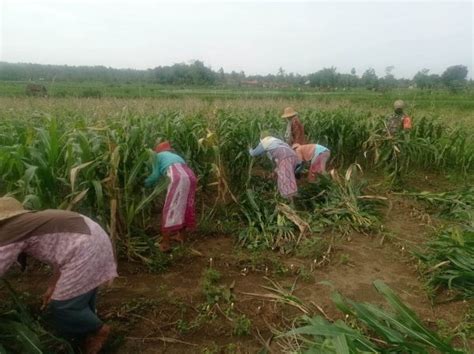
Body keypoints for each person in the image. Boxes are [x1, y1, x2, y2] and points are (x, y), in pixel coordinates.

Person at [0, 197, 117, 354]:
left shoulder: (12, 230)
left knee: (63, 306)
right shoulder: (31, 221)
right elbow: (62, 247)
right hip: (94, 239)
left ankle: (99, 330)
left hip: (85, 249)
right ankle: (85, 331)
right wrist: (53, 284)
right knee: (81, 295)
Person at [144, 141, 197, 252]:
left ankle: (165, 244)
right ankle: (182, 237)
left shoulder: (157, 156)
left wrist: (142, 183)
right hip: (190, 176)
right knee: (184, 207)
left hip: (177, 177)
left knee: (170, 209)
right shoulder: (176, 156)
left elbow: (154, 176)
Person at [249, 132, 300, 199]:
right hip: (293, 156)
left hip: (285, 158)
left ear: (261, 138)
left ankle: (289, 198)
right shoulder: (275, 140)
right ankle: (288, 195)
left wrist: (249, 149)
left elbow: (254, 153)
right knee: (288, 176)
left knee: (285, 178)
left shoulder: (265, 142)